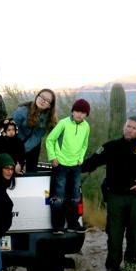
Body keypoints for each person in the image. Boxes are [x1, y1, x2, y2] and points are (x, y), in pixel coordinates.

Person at [81, 116, 136, 271]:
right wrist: (68, 166)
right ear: (124, 127)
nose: (130, 130)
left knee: (134, 235)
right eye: (128, 126)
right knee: (114, 236)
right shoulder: (111, 147)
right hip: (115, 198)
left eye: (134, 128)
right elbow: (91, 163)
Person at [45, 98, 91, 234]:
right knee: (58, 197)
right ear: (72, 111)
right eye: (77, 111)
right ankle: (58, 226)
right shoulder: (63, 123)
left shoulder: (86, 126)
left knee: (75, 197)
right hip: (61, 165)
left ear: (86, 114)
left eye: (83, 113)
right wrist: (53, 157)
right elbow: (50, 140)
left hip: (76, 166)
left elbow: (85, 144)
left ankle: (73, 224)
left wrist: (81, 158)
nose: (79, 114)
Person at [11, 89, 58, 172]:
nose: (43, 101)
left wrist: (55, 156)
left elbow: (55, 138)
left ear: (50, 106)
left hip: (34, 145)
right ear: (37, 97)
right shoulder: (22, 111)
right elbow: (10, 130)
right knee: (15, 170)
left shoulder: (49, 119)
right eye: (42, 97)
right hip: (17, 144)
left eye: (47, 100)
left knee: (32, 172)